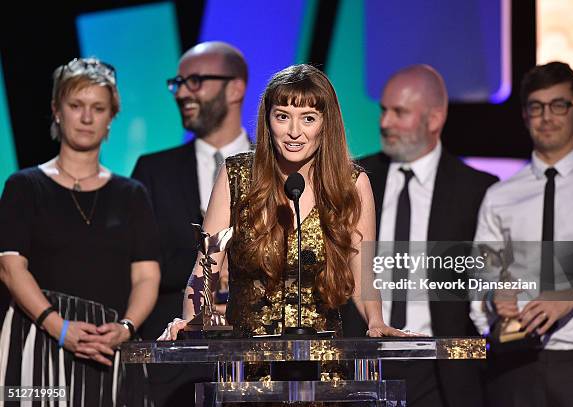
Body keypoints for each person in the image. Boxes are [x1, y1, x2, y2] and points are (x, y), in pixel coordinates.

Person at [162, 64, 407, 345]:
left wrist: (376, 321)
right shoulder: (237, 175)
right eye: (282, 116)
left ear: (326, 123)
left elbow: (361, 269)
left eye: (308, 119)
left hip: (322, 361)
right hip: (247, 361)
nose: (293, 132)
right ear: (268, 120)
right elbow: (206, 266)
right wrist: (192, 321)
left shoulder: (351, 183)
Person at [0, 57, 161, 406]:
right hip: (38, 341)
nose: (86, 118)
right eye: (76, 106)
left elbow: (147, 276)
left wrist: (127, 328)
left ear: (110, 119)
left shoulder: (132, 194)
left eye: (98, 108)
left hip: (111, 347)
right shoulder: (24, 186)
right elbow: (10, 268)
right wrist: (60, 329)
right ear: (57, 111)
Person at [342, 65, 497, 407]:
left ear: (434, 118)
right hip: (364, 361)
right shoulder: (353, 180)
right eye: (384, 110)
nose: (384, 123)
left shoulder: (478, 190)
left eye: (400, 112)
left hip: (441, 372)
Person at [470, 61, 573, 407]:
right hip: (513, 362)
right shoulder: (501, 194)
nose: (546, 117)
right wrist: (492, 297)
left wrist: (572, 295)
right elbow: (478, 275)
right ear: (525, 116)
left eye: (559, 105)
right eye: (536, 107)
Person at [131, 41, 251, 340]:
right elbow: (140, 266)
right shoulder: (152, 171)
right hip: (174, 352)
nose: (182, 93)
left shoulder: (277, 168)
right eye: (178, 84)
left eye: (195, 82)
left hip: (258, 349)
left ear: (235, 89)